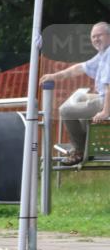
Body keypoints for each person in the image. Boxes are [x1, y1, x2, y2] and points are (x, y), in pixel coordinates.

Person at [40, 21, 110, 165]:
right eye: (93, 37)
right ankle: (85, 142)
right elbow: (79, 68)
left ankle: (79, 149)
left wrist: (105, 112)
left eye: (99, 36)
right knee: (82, 97)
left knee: (65, 110)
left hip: (106, 100)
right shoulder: (103, 54)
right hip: (103, 96)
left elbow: (109, 87)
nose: (96, 39)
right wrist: (55, 76)